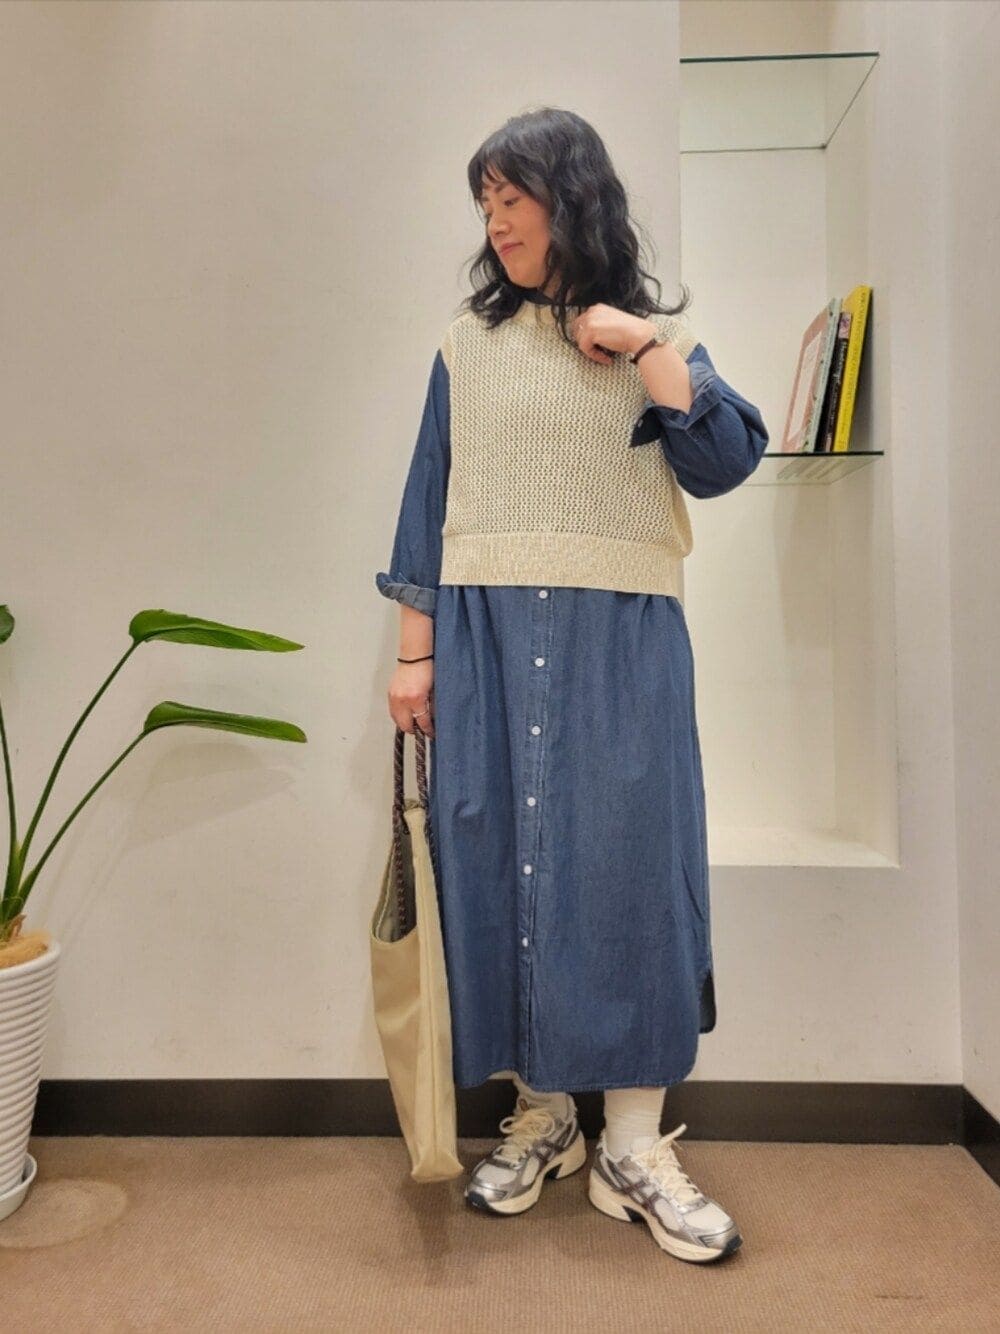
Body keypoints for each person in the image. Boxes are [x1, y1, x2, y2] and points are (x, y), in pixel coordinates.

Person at [375, 107, 768, 1264]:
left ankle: (632, 1144)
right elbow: (426, 498)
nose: (495, 222)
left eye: (514, 198)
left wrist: (646, 348)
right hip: (487, 638)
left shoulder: (657, 340)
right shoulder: (465, 346)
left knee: (632, 867)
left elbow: (725, 460)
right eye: (484, 203)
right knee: (496, 858)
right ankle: (542, 1115)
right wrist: (413, 653)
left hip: (620, 645)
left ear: (574, 199)